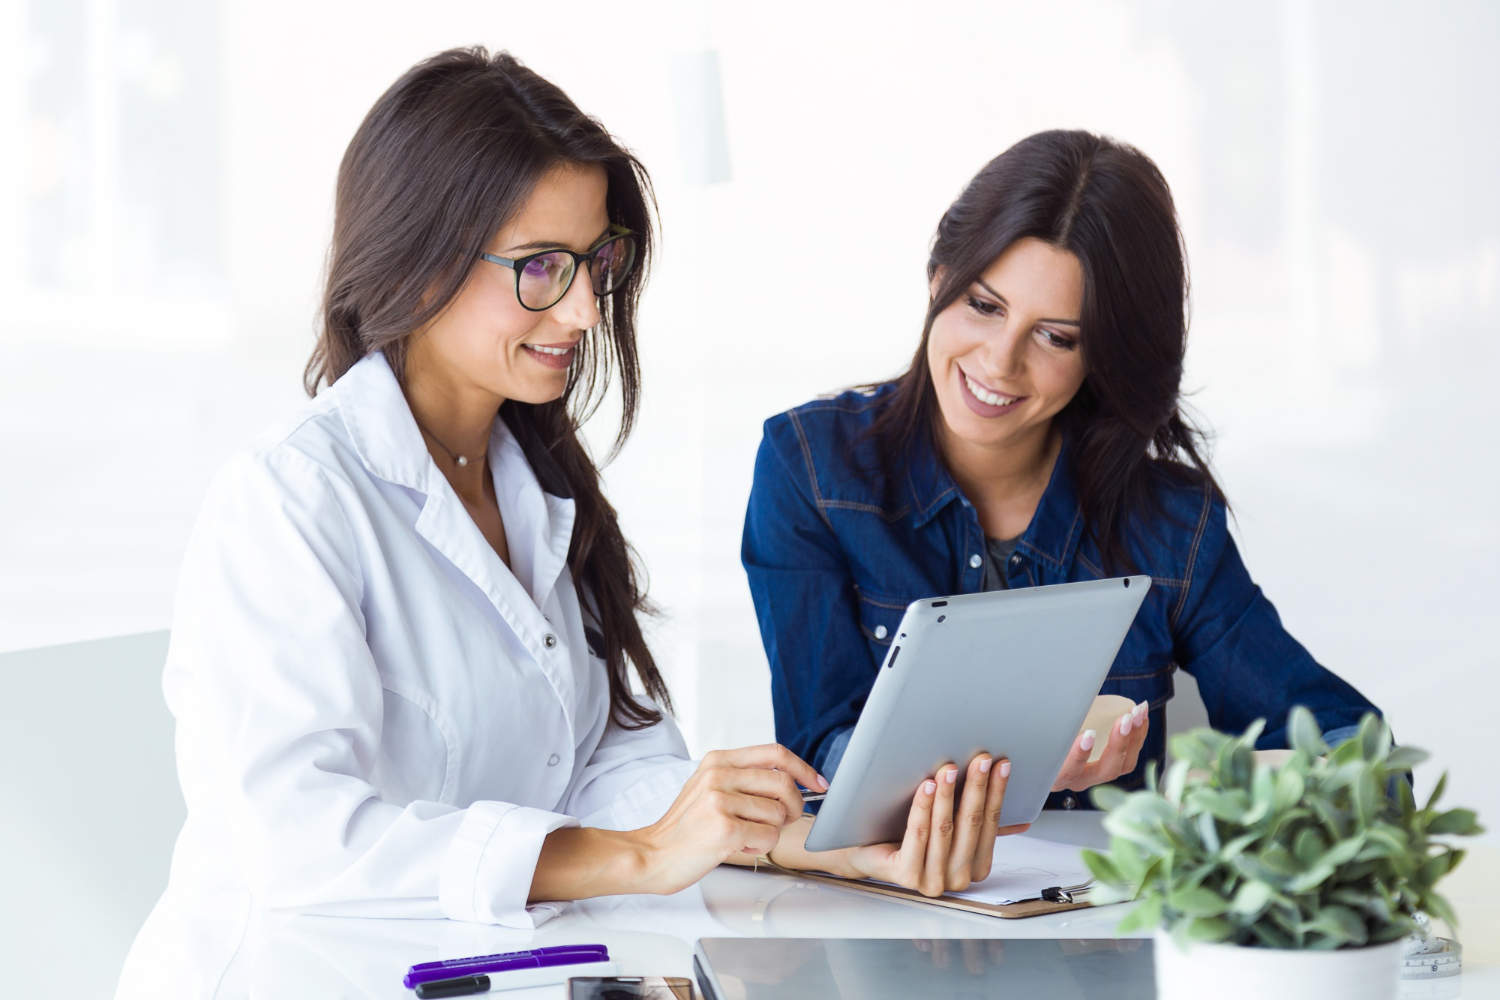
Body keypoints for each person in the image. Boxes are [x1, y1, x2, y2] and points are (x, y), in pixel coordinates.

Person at [119, 48, 1021, 996]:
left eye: (597, 262)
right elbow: (297, 839)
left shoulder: (538, 483)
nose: (587, 308)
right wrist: (637, 857)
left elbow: (603, 760)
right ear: (416, 259)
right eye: (542, 267)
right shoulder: (290, 499)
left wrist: (790, 841)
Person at [742, 129, 1383, 810]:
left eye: (1056, 336)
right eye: (984, 306)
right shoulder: (813, 470)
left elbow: (1360, 754)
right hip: (884, 907)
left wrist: (1218, 785)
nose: (998, 361)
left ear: (1102, 356)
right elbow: (815, 756)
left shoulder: (1168, 524)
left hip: (1102, 912)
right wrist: (1015, 764)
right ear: (938, 281)